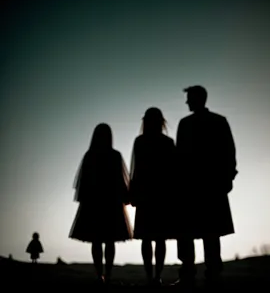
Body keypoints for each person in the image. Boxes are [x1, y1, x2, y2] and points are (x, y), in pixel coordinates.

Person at [175, 85, 238, 285]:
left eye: (189, 99)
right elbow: (229, 153)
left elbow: (229, 153)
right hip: (202, 187)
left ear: (198, 99)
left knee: (201, 232)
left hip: (201, 187)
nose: (187, 102)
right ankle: (205, 272)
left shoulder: (190, 124)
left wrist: (227, 178)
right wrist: (227, 178)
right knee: (205, 232)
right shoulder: (216, 122)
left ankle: (195, 273)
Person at [69, 123, 133, 285]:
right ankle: (106, 274)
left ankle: (101, 275)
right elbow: (120, 180)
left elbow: (83, 183)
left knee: (97, 240)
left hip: (95, 203)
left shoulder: (91, 155)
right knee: (107, 240)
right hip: (109, 203)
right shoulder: (113, 156)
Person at [129, 107, 176, 286]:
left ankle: (152, 276)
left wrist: (134, 192)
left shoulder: (140, 142)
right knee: (158, 238)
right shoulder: (167, 142)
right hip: (160, 195)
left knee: (148, 238)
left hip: (148, 194)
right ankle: (156, 276)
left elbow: (136, 170)